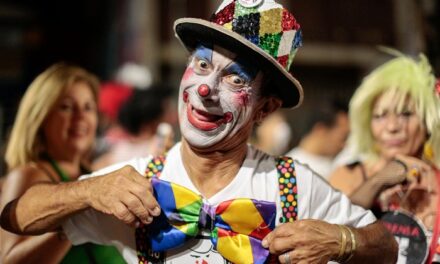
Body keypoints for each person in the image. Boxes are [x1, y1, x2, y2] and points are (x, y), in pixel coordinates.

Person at [1, 1, 397, 263]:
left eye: (235, 80)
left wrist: (344, 243)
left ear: (266, 107)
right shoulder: (136, 183)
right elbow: (15, 217)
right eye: (202, 65)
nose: (205, 89)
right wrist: (87, 190)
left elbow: (387, 247)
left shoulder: (294, 184)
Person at [0, 63, 125, 263]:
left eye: (88, 107)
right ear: (41, 116)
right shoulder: (29, 174)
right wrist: (72, 217)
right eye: (66, 107)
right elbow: (8, 259)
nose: (81, 117)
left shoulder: (90, 173)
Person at [329, 53, 440, 263]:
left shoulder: (437, 177)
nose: (391, 127)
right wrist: (379, 180)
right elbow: (326, 234)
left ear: (427, 120)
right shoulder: (350, 174)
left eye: (406, 114)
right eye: (379, 116)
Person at [93, 84, 176, 169]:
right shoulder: (159, 151)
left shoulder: (116, 150)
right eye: (168, 113)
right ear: (150, 122)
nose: (174, 118)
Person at [286, 101, 349, 179]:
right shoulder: (288, 170)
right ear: (320, 130)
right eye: (343, 137)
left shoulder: (339, 165)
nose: (345, 145)